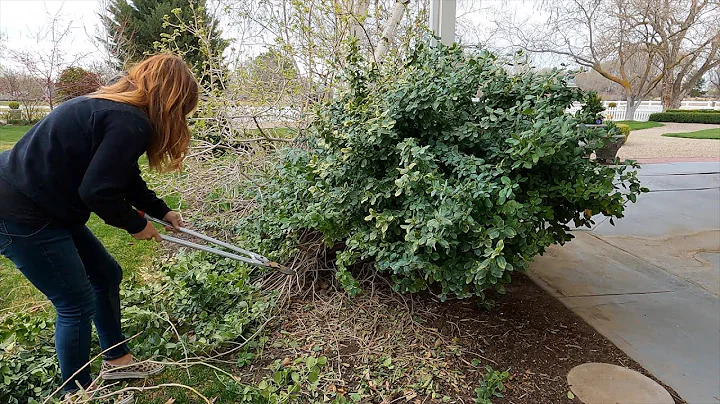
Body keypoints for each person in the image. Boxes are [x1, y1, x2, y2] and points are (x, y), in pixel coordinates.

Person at [0, 54, 198, 402]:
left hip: (43, 203)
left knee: (105, 274)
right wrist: (135, 224)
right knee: (75, 302)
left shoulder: (111, 110)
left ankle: (117, 360)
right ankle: (77, 394)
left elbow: (120, 174)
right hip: (20, 210)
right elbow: (97, 192)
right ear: (171, 101)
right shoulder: (129, 122)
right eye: (182, 111)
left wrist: (160, 211)